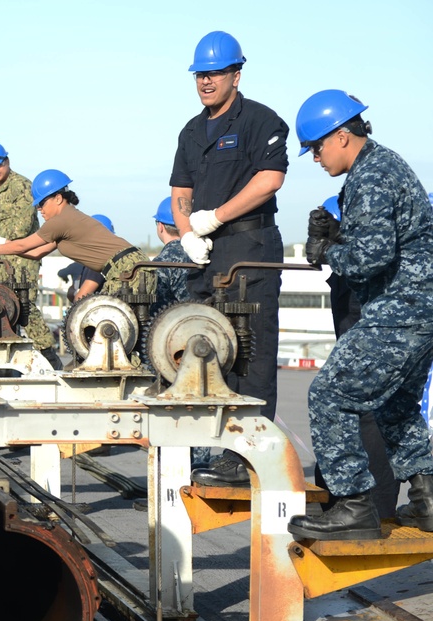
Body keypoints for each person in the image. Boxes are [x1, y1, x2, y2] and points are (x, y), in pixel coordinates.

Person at [284, 90, 433, 540]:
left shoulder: (372, 176)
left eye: (316, 147)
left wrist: (328, 247)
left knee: (330, 395)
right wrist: (341, 232)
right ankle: (427, 499)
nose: (315, 158)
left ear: (342, 136)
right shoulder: (380, 169)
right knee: (396, 406)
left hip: (398, 313)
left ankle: (354, 506)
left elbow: (370, 258)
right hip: (417, 312)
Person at [174, 32, 289, 487]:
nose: (205, 81)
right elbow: (180, 191)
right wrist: (187, 235)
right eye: (200, 74)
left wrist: (214, 218)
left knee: (253, 352)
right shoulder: (190, 130)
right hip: (206, 255)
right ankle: (227, 451)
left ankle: (252, 457)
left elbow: (270, 179)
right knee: (214, 353)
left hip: (250, 249)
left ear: (235, 75)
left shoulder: (261, 120)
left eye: (215, 73)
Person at [310, 196, 399, 519]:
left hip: (368, 358)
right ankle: (350, 500)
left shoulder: (363, 272)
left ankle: (376, 508)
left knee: (366, 418)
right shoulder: (351, 270)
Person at [0, 170, 155, 301]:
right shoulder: (67, 220)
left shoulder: (59, 222)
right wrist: (4, 243)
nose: (39, 209)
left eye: (41, 203)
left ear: (58, 198)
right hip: (131, 266)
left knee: (105, 324)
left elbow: (23, 245)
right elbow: (35, 253)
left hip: (128, 270)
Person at [0, 141, 61, 369]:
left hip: (23, 256)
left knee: (24, 306)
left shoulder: (23, 186)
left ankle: (49, 357)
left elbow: (23, 227)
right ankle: (3, 357)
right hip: (0, 258)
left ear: (7, 161)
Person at [150, 197, 191, 316]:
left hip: (175, 328)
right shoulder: (204, 252)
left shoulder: (161, 262)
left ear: (160, 226)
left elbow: (156, 312)